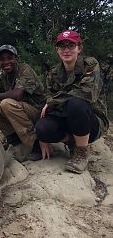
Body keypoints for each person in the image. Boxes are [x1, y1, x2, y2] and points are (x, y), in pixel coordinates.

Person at [35, 30, 109, 174]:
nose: (66, 50)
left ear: (79, 48)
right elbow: (48, 102)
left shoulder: (90, 65)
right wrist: (41, 138)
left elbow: (86, 93)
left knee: (77, 103)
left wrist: (54, 101)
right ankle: (71, 142)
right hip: (66, 119)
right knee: (42, 129)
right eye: (62, 47)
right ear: (57, 50)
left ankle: (81, 152)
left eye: (71, 46)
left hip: (91, 121)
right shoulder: (54, 73)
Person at [0, 45, 45, 162]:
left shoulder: (24, 69)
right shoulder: (3, 78)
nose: (6, 62)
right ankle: (13, 138)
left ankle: (35, 142)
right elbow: (0, 100)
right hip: (21, 111)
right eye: (2, 59)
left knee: (6, 104)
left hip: (38, 113)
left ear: (16, 59)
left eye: (10, 58)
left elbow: (17, 95)